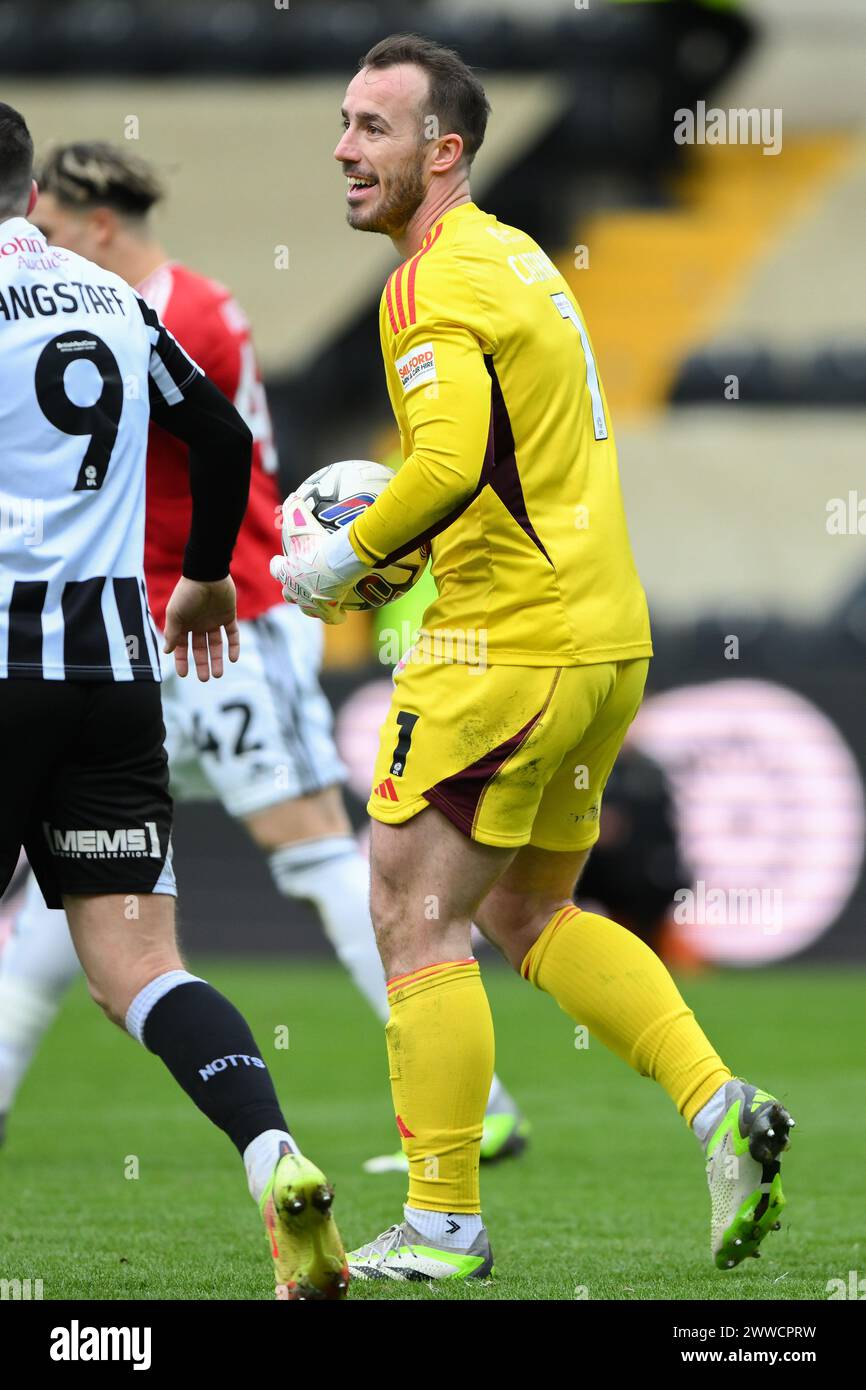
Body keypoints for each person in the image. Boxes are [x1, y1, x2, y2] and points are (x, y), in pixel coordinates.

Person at [271, 34, 795, 1282]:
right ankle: (719, 1107)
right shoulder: (516, 258)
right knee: (529, 906)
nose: (345, 149)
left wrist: (341, 564)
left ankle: (445, 1215)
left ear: (441, 152)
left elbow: (449, 468)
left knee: (410, 906)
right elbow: (491, 465)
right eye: (341, 123)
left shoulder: (428, 281)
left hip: (503, 644)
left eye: (373, 130)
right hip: (606, 636)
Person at [0, 139, 527, 1169]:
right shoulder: (144, 304)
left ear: (97, 224)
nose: (44, 246)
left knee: (314, 851)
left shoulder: (171, 308)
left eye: (58, 230)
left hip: (215, 622)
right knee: (93, 897)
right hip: (134, 634)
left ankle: (480, 1097)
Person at [0, 106, 346, 1300]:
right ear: (28, 188)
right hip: (113, 676)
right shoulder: (108, 298)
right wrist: (206, 576)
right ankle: (273, 1152)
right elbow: (211, 431)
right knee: (140, 968)